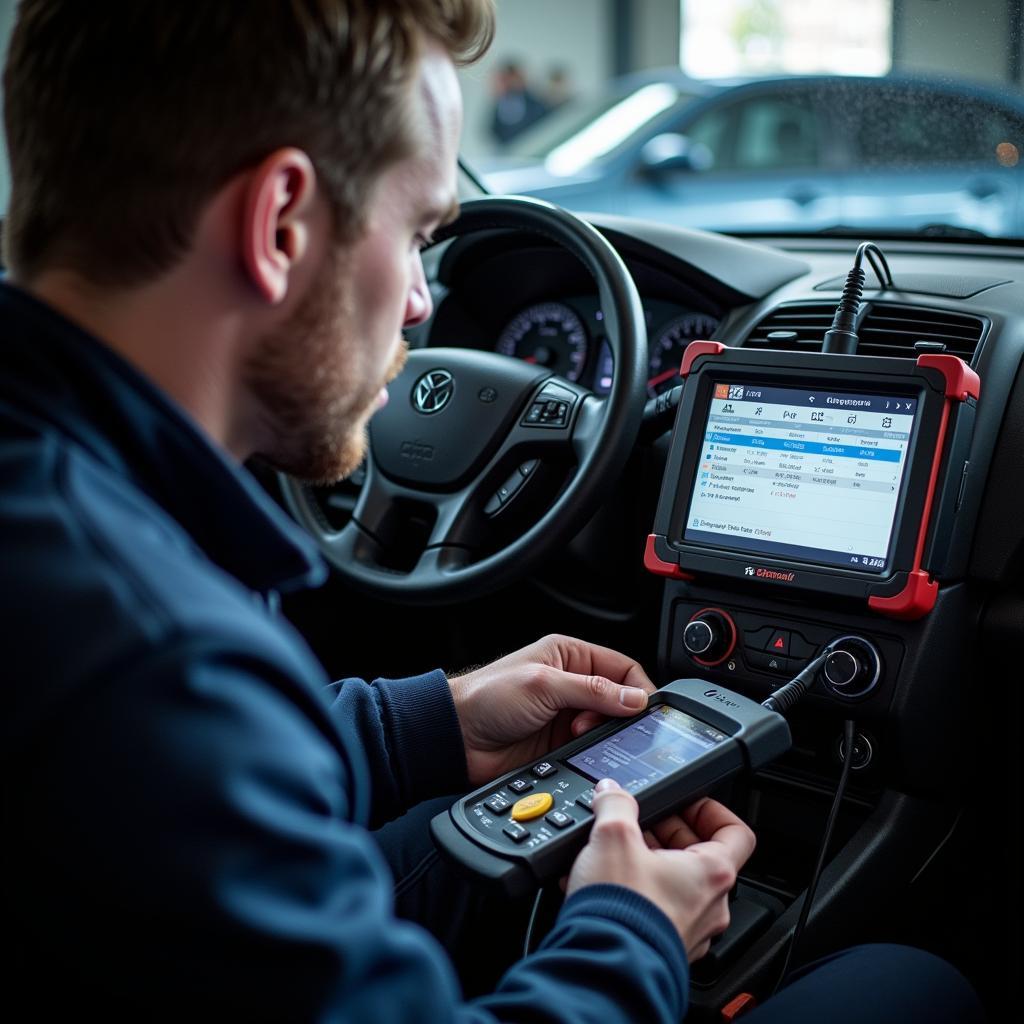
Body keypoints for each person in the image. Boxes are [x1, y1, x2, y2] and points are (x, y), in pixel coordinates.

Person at [0, 3, 985, 1023]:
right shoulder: (157, 656)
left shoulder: (80, 539)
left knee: (467, 833)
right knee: (913, 986)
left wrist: (425, 726)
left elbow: (177, 793)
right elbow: (183, 734)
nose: (425, 305)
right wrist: (631, 936)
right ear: (281, 223)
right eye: (421, 233)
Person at [488, 59, 550, 146]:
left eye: (513, 78)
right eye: (506, 79)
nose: (511, 82)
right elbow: (492, 129)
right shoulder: (499, 103)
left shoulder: (535, 103)